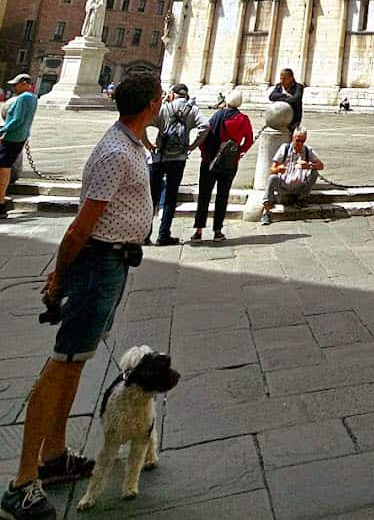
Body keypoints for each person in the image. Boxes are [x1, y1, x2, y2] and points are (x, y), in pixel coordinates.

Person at [1, 70, 162, 520]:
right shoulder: (115, 152)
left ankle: (53, 457)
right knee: (61, 364)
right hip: (96, 265)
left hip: (110, 264)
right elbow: (79, 226)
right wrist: (59, 275)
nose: (162, 101)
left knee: (74, 363)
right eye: (159, 97)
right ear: (150, 104)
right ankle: (20, 484)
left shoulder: (129, 145)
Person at [144, 83, 207, 247]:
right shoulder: (192, 110)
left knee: (152, 197)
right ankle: (164, 235)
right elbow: (205, 126)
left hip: (159, 157)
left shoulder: (165, 108)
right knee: (171, 197)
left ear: (172, 94)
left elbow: (144, 122)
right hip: (178, 159)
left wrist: (148, 145)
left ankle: (145, 235)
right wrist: (193, 146)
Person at [191, 89, 253, 244]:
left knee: (204, 195)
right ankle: (217, 231)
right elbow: (249, 140)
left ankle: (198, 231)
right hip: (229, 163)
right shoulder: (243, 119)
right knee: (222, 196)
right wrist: (239, 151)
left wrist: (205, 154)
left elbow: (205, 134)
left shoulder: (217, 116)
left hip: (209, 162)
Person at [260, 128, 324, 224]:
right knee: (272, 178)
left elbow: (321, 166)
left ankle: (301, 198)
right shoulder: (285, 149)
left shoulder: (307, 150)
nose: (300, 144)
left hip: (300, 186)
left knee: (314, 172)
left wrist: (309, 165)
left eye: (302, 141)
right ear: (293, 138)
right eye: (297, 140)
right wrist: (278, 169)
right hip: (284, 185)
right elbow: (272, 169)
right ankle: (266, 211)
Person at [0, 74, 39, 212]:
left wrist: (3, 131)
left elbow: (17, 120)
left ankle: (1, 200)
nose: (14, 87)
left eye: (16, 84)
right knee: (5, 164)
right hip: (20, 136)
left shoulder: (24, 98)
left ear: (24, 84)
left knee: (3, 165)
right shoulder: (33, 98)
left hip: (13, 137)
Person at [268, 67, 303, 132]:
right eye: (281, 78)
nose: (282, 81)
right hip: (278, 118)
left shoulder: (298, 87)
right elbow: (272, 96)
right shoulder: (279, 86)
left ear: (291, 78)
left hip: (293, 120)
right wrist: (285, 95)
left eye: (284, 79)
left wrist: (279, 99)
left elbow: (295, 100)